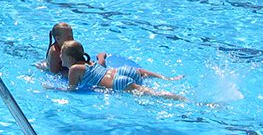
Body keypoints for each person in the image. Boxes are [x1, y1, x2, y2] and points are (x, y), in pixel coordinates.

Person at [56, 40, 185, 100]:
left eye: (61, 54)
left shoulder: (73, 69)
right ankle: (167, 79)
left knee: (153, 93)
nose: (60, 56)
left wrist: (53, 88)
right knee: (141, 72)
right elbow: (101, 62)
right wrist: (102, 56)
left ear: (68, 57)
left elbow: (71, 90)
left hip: (117, 83)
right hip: (123, 71)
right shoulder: (90, 63)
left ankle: (185, 100)